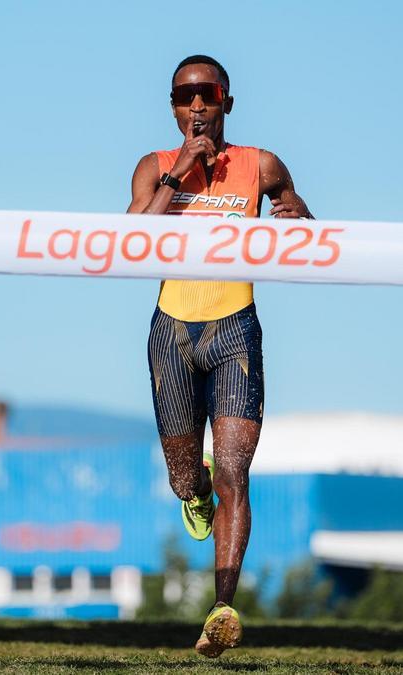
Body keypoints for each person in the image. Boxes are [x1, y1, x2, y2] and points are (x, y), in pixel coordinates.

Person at [127, 55, 312, 657]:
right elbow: (132, 244)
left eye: (207, 94)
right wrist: (179, 173)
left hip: (235, 329)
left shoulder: (260, 164)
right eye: (184, 97)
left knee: (235, 470)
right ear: (174, 107)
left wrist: (299, 219)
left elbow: (299, 216)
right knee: (190, 480)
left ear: (227, 101)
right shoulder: (154, 168)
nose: (197, 105)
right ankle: (193, 489)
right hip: (172, 332)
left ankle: (222, 608)